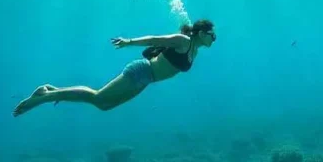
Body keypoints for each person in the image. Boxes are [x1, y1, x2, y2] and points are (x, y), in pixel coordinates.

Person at [12, 19, 216, 116]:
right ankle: (43, 97)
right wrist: (128, 42)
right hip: (141, 71)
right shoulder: (183, 41)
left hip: (147, 80)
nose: (213, 39)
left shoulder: (194, 51)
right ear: (201, 33)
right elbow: (155, 39)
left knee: (104, 106)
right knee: (97, 96)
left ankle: (54, 92)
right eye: (211, 35)